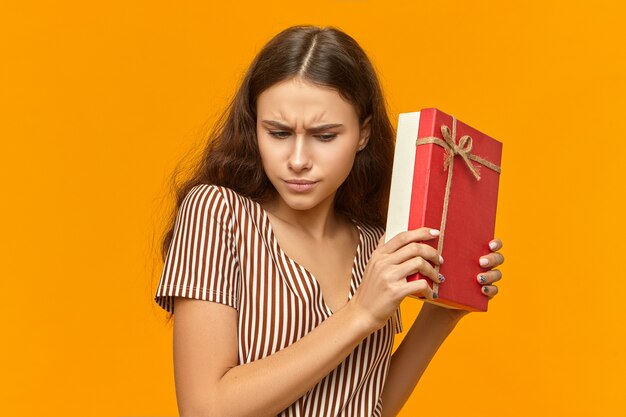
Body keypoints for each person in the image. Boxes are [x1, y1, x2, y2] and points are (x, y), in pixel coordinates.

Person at [153, 25, 505, 417]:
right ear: (255, 127)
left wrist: (443, 312)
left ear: (362, 133)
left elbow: (368, 405)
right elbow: (205, 411)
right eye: (279, 132)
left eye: (324, 136)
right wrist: (360, 314)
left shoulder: (377, 243)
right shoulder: (217, 213)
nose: (298, 159)